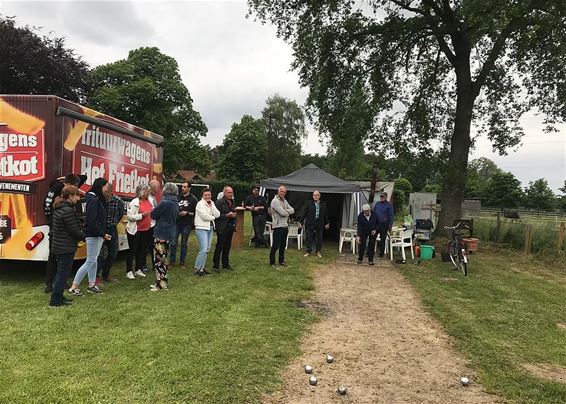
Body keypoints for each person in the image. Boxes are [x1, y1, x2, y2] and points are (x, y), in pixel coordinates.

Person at [43, 173, 86, 293]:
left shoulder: (64, 189)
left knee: (61, 263)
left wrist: (67, 179)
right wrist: (52, 222)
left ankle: (59, 283)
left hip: (61, 227)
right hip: (58, 227)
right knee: (54, 258)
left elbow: (83, 177)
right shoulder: (57, 189)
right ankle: (49, 284)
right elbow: (46, 205)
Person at [68, 178, 111, 296]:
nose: (106, 190)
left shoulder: (92, 199)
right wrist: (102, 233)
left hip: (96, 234)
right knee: (90, 261)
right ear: (101, 186)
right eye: (106, 187)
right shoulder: (92, 200)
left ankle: (91, 284)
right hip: (93, 234)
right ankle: (74, 286)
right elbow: (92, 221)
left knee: (93, 260)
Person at [49, 185, 85, 307]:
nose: (78, 199)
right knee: (63, 273)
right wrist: (84, 236)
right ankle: (55, 301)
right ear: (70, 196)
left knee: (60, 272)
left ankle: (59, 296)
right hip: (65, 247)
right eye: (77, 195)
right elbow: (73, 231)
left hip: (59, 246)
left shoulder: (59, 208)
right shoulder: (68, 210)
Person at [150, 182, 179, 291]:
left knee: (159, 260)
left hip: (161, 233)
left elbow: (153, 214)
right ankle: (161, 281)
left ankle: (160, 285)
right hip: (170, 233)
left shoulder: (164, 202)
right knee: (163, 259)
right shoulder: (175, 202)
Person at [97, 183, 125, 282]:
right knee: (99, 254)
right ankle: (96, 276)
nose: (103, 194)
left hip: (112, 229)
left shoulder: (118, 201)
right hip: (101, 229)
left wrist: (114, 223)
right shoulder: (99, 200)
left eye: (105, 193)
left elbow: (121, 214)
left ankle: (106, 274)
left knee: (113, 253)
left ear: (110, 192)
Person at [125, 184, 154, 279]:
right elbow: (129, 216)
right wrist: (141, 215)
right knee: (132, 250)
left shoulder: (150, 200)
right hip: (135, 230)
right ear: (142, 192)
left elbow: (153, 211)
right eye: (147, 191)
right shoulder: (134, 202)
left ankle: (138, 269)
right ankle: (129, 271)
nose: (148, 192)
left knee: (142, 250)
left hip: (146, 229)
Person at [170, 182, 198, 267]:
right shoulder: (177, 197)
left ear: (189, 188)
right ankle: (172, 262)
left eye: (185, 187)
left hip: (187, 224)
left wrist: (187, 213)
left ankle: (182, 262)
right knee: (173, 243)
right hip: (177, 223)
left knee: (184, 243)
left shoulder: (193, 199)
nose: (183, 188)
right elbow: (172, 209)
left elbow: (196, 213)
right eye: (182, 187)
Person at [193, 188, 220, 276]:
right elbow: (204, 216)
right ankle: (197, 269)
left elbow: (217, 214)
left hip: (210, 228)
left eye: (209, 195)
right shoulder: (200, 204)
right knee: (203, 249)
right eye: (206, 195)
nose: (208, 196)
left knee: (207, 249)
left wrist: (212, 206)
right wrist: (213, 217)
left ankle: (201, 268)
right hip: (201, 228)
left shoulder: (211, 203)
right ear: (202, 196)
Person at [213, 186, 237, 271]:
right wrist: (227, 215)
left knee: (227, 246)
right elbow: (216, 216)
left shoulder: (232, 201)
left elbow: (234, 211)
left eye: (231, 192)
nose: (231, 194)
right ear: (224, 193)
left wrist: (234, 218)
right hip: (222, 227)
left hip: (230, 227)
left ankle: (225, 264)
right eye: (229, 193)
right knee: (220, 246)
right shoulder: (219, 202)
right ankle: (216, 265)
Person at [269, 186, 294, 268]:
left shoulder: (284, 200)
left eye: (284, 192)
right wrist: (286, 211)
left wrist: (285, 211)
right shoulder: (275, 201)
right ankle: (272, 262)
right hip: (278, 226)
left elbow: (292, 210)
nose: (283, 193)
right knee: (276, 245)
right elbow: (282, 213)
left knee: (283, 245)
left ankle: (281, 261)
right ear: (278, 191)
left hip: (285, 226)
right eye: (281, 191)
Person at [301, 190, 330, 258]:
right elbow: (304, 213)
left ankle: (318, 251)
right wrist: (301, 222)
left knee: (319, 238)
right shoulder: (309, 203)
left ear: (319, 196)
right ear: (313, 196)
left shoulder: (323, 204)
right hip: (310, 223)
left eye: (317, 195)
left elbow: (325, 214)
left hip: (319, 223)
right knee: (309, 237)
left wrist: (327, 223)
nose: (315, 196)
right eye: (314, 195)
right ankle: (308, 251)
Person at [373, 191, 394, 258]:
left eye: (383, 196)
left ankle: (381, 254)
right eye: (381, 196)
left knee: (382, 239)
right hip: (376, 224)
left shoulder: (389, 205)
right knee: (372, 238)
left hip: (384, 225)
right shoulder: (377, 203)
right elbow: (373, 213)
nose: (381, 197)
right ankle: (370, 252)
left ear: (386, 197)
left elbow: (391, 216)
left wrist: (390, 226)